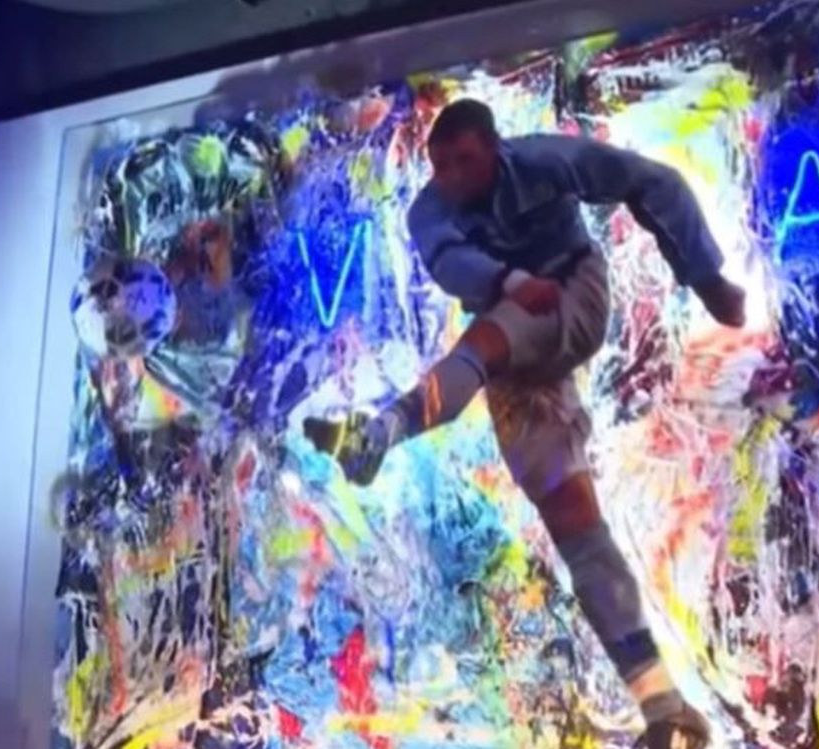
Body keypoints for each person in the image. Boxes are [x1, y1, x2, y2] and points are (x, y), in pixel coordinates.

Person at [304, 99, 746, 749]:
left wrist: (706, 278)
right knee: (575, 527)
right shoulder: (429, 212)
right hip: (517, 352)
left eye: (465, 161)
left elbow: (651, 181)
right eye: (441, 165)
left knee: (483, 342)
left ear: (495, 149)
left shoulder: (544, 160)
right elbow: (450, 262)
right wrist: (508, 279)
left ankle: (381, 435)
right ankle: (664, 705)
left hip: (571, 296)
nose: (452, 177)